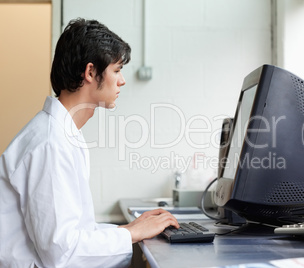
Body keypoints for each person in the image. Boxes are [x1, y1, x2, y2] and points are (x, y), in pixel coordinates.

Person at [0, 18, 179, 267]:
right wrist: (131, 234)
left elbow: (73, 233)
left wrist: (131, 227)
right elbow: (61, 252)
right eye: (116, 70)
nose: (122, 80)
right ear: (91, 72)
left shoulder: (63, 134)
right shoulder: (51, 143)